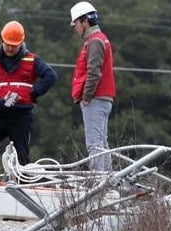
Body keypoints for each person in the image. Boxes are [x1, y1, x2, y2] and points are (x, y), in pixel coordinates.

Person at [0, 20, 58, 179]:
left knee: (22, 160)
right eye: (7, 44)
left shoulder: (32, 60)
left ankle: (24, 190)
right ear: (2, 40)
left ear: (22, 42)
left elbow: (51, 76)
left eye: (14, 45)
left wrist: (34, 93)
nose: (10, 48)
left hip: (21, 117)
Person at [69, 2, 116, 172]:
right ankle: (108, 181)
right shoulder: (99, 39)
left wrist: (86, 97)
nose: (75, 28)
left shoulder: (95, 41)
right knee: (102, 144)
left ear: (85, 21)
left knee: (94, 145)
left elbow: (94, 73)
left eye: (76, 24)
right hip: (103, 98)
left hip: (95, 99)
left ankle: (99, 184)